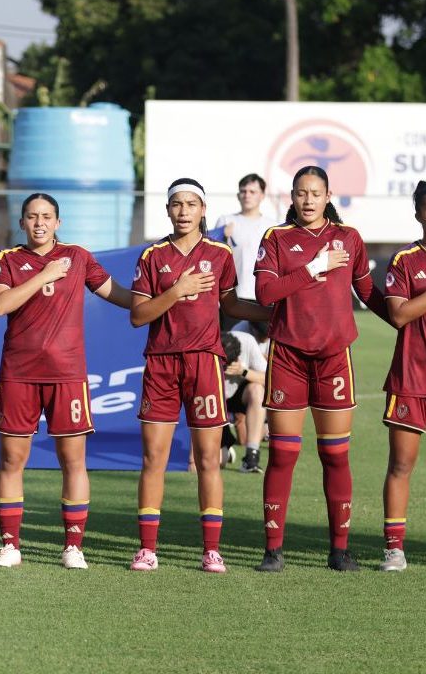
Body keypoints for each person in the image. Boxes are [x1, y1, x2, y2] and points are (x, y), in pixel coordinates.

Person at [129, 178, 269, 573]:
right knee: (153, 458)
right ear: (167, 210)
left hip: (205, 363)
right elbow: (138, 315)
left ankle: (211, 550)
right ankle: (147, 549)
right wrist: (177, 290)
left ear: (203, 210)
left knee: (208, 458)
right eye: (177, 204)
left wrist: (276, 313)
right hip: (161, 364)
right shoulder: (152, 256)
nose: (184, 211)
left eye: (192, 204)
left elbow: (231, 304)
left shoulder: (220, 254)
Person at [0, 192, 131, 569]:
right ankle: (10, 546)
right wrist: (44, 275)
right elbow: (1, 304)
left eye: (46, 216)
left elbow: (116, 293)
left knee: (73, 460)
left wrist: (163, 299)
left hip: (67, 374)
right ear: (22, 223)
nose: (39, 223)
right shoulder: (6, 259)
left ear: (58, 222)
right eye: (32, 216)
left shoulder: (78, 256)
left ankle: (73, 547)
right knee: (12, 459)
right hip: (19, 373)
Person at [254, 165, 387, 572]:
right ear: (291, 196)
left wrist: (404, 319)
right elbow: (265, 293)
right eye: (301, 193)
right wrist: (314, 267)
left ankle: (339, 551)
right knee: (282, 454)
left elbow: (367, 290)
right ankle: (273, 551)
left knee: (335, 455)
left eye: (315, 193)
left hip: (333, 358)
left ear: (329, 196)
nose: (308, 200)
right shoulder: (276, 238)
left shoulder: (349, 238)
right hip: (288, 357)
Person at [380, 181, 426, 572]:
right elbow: (399, 315)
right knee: (401, 465)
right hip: (412, 377)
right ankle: (394, 549)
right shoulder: (404, 261)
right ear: (418, 214)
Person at [215, 173, 276, 304]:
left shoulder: (272, 226)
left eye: (252, 192)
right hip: (231, 296)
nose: (247, 195)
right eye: (243, 191)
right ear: (238, 195)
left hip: (263, 296)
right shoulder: (225, 221)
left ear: (262, 196)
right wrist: (221, 234)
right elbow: (213, 257)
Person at [221, 330, 268, 473]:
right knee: (216, 461)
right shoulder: (207, 351)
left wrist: (243, 371)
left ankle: (251, 457)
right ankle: (226, 451)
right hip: (215, 401)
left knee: (257, 390)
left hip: (238, 395)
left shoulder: (247, 341)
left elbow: (270, 378)